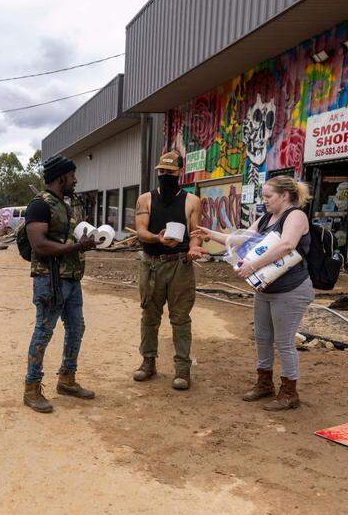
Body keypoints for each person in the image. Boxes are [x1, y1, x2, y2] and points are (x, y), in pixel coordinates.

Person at [196, 176, 314, 410]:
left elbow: (287, 245)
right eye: (264, 197)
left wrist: (254, 264)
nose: (265, 201)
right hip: (266, 288)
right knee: (262, 338)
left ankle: (290, 393)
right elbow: (240, 239)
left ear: (285, 196)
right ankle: (264, 384)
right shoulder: (266, 219)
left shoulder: (296, 216)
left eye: (269, 196)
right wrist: (209, 234)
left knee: (284, 342)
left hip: (291, 289)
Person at [22, 154, 98, 413]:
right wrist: (77, 246)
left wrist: (86, 241)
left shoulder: (63, 204)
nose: (75, 180)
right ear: (61, 177)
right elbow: (39, 244)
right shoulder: (39, 204)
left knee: (76, 328)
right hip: (50, 280)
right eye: (72, 175)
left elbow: (64, 238)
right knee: (44, 331)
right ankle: (31, 389)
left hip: (71, 279)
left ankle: (67, 379)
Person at [133, 150, 205, 390]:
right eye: (161, 171)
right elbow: (141, 230)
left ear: (179, 173)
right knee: (150, 316)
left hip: (180, 265)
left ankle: (183, 369)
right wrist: (157, 237)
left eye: (169, 172)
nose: (164, 175)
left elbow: (195, 234)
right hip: (151, 264)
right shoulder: (145, 199)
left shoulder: (192, 201)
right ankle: (148, 362)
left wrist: (194, 248)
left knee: (181, 319)